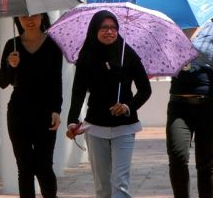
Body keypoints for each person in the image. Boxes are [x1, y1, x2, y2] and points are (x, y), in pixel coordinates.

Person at [65, 10, 152, 198]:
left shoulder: (127, 54)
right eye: (104, 28)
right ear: (95, 30)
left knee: (120, 183)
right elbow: (78, 92)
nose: (109, 32)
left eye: (113, 28)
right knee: (103, 186)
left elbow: (145, 90)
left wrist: (128, 106)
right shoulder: (86, 56)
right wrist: (72, 121)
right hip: (95, 127)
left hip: (125, 128)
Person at [166, 20, 213, 198]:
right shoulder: (174, 29)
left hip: (209, 103)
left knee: (206, 163)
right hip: (179, 103)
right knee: (177, 157)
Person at [0, 13, 63, 198]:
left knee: (44, 166)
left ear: (42, 17)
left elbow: (56, 82)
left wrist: (57, 110)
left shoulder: (53, 45)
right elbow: (2, 82)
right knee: (24, 167)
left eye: (34, 15)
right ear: (17, 19)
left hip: (45, 113)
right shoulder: (12, 45)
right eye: (23, 16)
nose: (29, 20)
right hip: (19, 112)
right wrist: (11, 65)